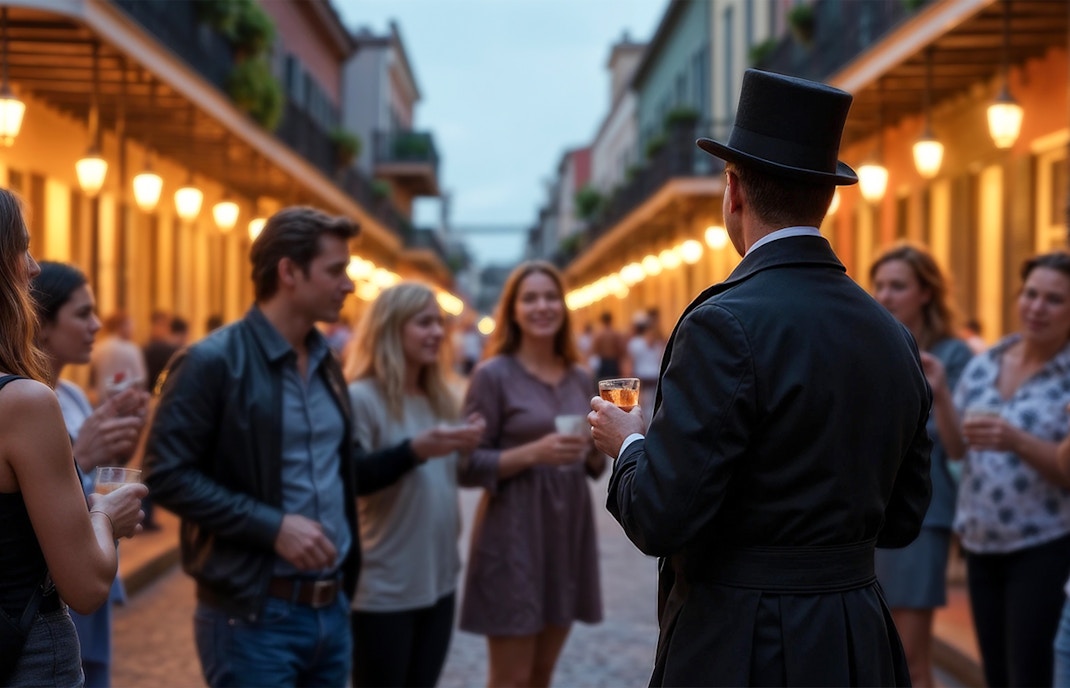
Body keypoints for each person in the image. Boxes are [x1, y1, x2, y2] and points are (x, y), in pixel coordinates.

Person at [588, 69, 932, 686]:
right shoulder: (892, 333)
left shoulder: (723, 323)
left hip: (743, 640)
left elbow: (661, 517)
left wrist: (629, 445)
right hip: (856, 635)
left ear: (734, 192)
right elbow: (904, 518)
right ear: (825, 198)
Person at [142, 206, 422, 687]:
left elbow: (340, 468)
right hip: (253, 616)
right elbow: (165, 474)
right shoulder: (211, 362)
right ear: (289, 272)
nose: (350, 285)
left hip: (330, 610)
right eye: (336, 270)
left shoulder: (327, 363)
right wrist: (272, 527)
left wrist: (413, 451)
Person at [0, 189, 145, 684]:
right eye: (22, 248)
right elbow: (84, 585)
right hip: (25, 654)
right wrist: (105, 513)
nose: (35, 268)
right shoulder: (24, 403)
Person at [460, 260, 605, 687]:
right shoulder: (492, 376)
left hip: (566, 531)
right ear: (513, 310)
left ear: (563, 306)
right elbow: (467, 466)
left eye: (550, 297)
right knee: (511, 679)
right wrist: (533, 453)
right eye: (530, 298)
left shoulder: (580, 376)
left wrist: (599, 447)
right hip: (513, 533)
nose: (542, 306)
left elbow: (592, 463)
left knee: (542, 675)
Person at [937, 251, 1070, 688]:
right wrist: (940, 396)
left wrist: (1017, 440)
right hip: (980, 541)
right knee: (995, 672)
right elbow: (958, 450)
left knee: (1029, 672)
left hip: (1044, 543)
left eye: (1054, 299)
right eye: (1031, 293)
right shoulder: (988, 361)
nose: (1036, 307)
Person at [344, 282, 487, 687]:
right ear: (391, 328)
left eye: (439, 323)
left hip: (439, 580)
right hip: (385, 586)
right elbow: (353, 477)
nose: (438, 333)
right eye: (424, 323)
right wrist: (414, 451)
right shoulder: (361, 397)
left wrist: (467, 444)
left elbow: (450, 476)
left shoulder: (441, 395)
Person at [31, 261, 150, 688]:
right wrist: (80, 457)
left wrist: (124, 441)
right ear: (41, 324)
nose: (96, 325)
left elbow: (100, 479)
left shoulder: (75, 395)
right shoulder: (24, 401)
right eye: (82, 314)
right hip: (52, 588)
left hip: (97, 563)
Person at [869, 243, 974, 688]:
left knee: (911, 658)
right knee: (874, 654)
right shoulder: (871, 344)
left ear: (926, 293)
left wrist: (942, 391)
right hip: (868, 510)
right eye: (879, 285)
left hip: (924, 514)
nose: (885, 295)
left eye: (898, 286)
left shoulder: (953, 355)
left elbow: (959, 447)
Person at [88, 311, 147, 406]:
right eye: (130, 325)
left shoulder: (97, 348)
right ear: (121, 326)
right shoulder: (132, 349)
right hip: (126, 401)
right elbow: (140, 378)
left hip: (102, 400)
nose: (133, 329)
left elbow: (92, 378)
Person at [624, 308, 664, 427]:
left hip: (642, 379)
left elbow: (629, 365)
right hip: (654, 377)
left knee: (643, 410)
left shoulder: (634, 343)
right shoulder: (657, 341)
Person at [591, 311, 625, 380]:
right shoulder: (615, 333)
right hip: (614, 362)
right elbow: (621, 349)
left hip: (604, 362)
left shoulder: (599, 334)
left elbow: (594, 349)